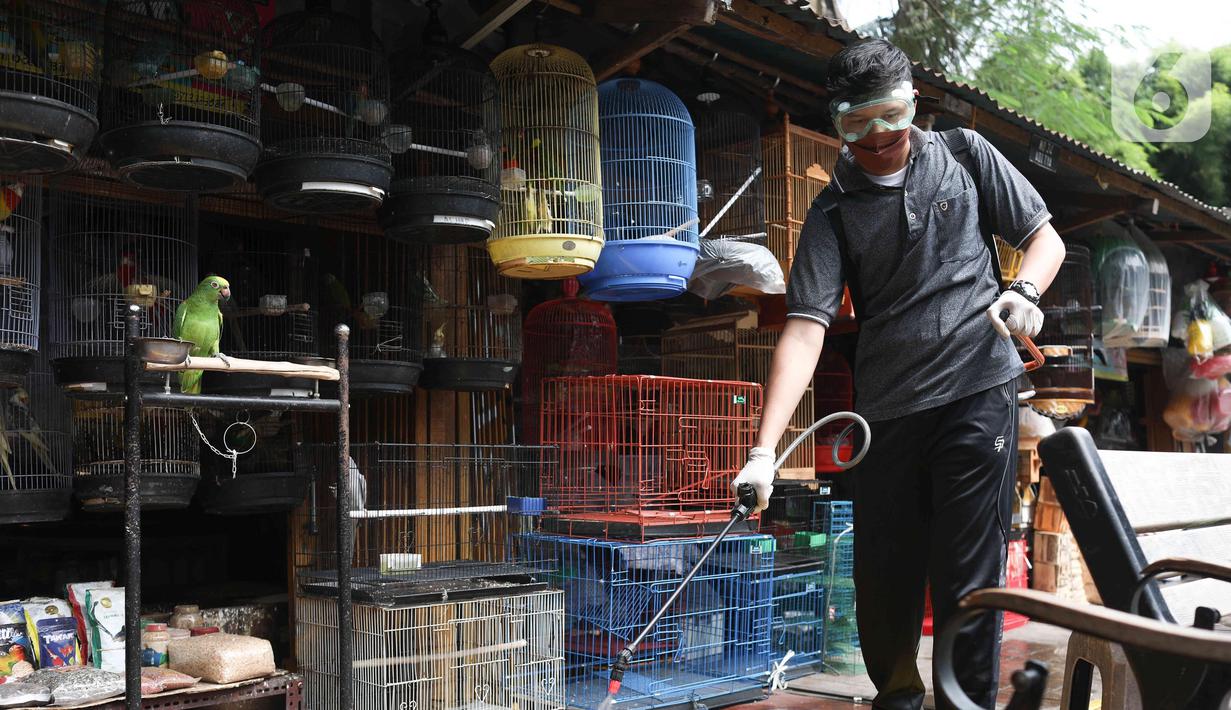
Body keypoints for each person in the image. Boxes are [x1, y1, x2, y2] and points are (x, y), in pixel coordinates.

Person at [732, 39, 1066, 709]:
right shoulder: (830, 212)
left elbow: (1044, 239)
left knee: (965, 574)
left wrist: (1025, 293)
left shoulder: (965, 156)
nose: (878, 137)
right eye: (857, 124)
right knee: (883, 575)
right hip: (885, 412)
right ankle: (897, 698)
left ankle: (962, 703)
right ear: (837, 125)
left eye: (889, 116)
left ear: (912, 104)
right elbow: (805, 328)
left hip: (978, 387)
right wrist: (763, 452)